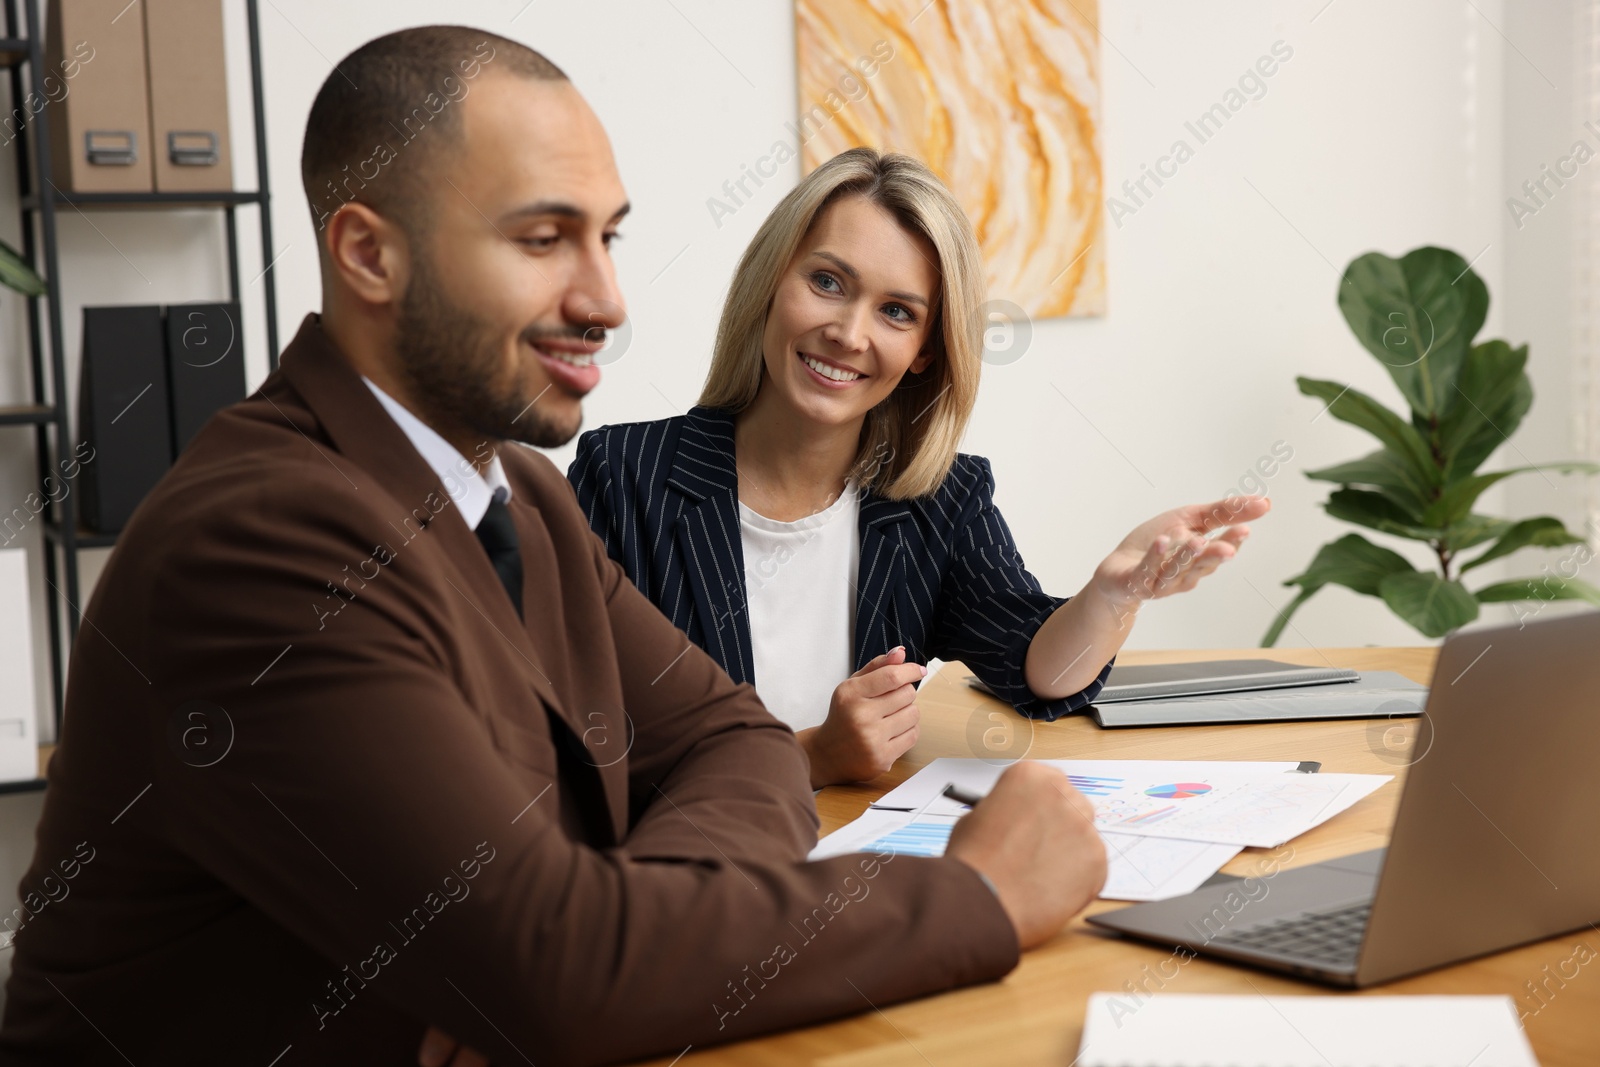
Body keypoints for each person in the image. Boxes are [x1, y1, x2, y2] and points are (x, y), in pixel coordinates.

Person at [0, 27, 1109, 1067]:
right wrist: (980, 897)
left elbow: (739, 739)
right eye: (543, 239)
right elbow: (562, 964)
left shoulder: (520, 492)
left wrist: (614, 947)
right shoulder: (259, 543)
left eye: (607, 236)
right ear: (368, 254)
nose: (605, 299)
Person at [569, 149, 1269, 788]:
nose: (849, 334)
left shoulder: (941, 497)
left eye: (897, 311)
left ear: (926, 353)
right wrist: (810, 756)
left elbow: (1036, 671)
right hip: (684, 877)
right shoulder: (624, 473)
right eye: (827, 281)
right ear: (772, 282)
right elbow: (574, 742)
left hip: (854, 860)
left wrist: (1113, 595)